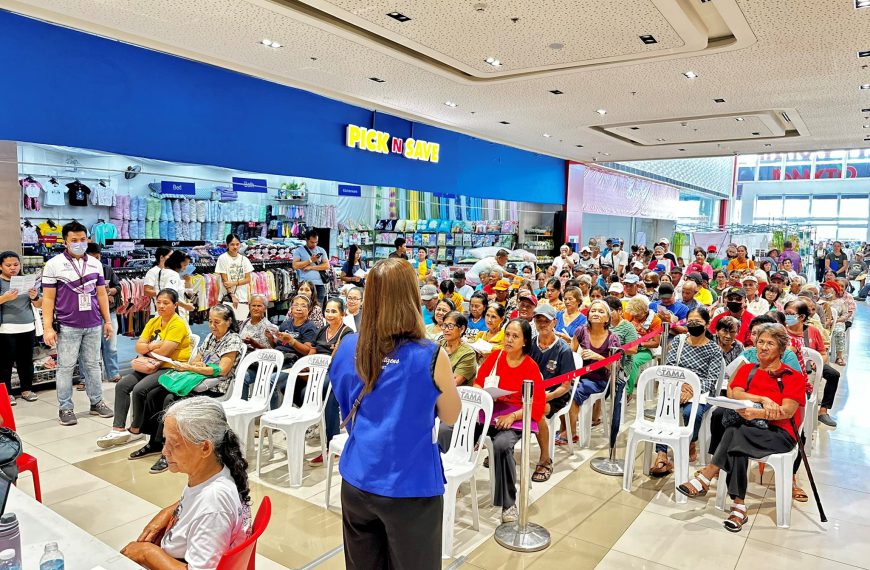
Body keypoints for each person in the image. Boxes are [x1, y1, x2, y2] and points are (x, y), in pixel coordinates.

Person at [329, 257, 460, 567]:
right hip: (410, 486)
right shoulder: (430, 355)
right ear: (411, 297)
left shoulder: (348, 346)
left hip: (357, 478)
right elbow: (452, 415)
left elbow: (343, 399)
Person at [679, 324, 805, 533]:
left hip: (780, 434)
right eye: (761, 342)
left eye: (770, 343)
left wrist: (759, 413)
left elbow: (788, 411)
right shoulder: (748, 369)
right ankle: (738, 506)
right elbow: (734, 393)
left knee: (734, 433)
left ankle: (708, 475)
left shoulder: (792, 376)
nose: (763, 347)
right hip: (747, 430)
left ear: (781, 349)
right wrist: (762, 399)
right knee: (736, 438)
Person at [121, 397, 252, 569]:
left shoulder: (214, 504)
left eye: (174, 444)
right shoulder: (218, 469)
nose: (164, 451)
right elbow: (197, 500)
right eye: (165, 440)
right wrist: (168, 512)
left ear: (205, 448)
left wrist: (147, 553)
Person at [132, 304, 244, 474]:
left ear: (228, 322)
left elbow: (222, 369)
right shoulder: (211, 337)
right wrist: (195, 365)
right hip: (197, 380)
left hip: (215, 385)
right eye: (210, 321)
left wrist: (193, 368)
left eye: (217, 322)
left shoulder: (233, 339)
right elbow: (197, 359)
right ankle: (154, 442)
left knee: (171, 401)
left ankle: (166, 449)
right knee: (154, 393)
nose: (212, 326)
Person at [97, 288, 191, 449]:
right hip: (149, 365)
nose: (161, 306)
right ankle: (118, 428)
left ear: (175, 305)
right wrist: (152, 346)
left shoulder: (178, 324)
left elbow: (164, 353)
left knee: (140, 389)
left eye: (165, 303)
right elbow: (138, 346)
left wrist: (147, 348)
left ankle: (136, 429)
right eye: (159, 302)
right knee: (122, 386)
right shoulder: (154, 321)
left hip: (169, 367)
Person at [41, 221, 114, 426]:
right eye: (74, 240)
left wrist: (107, 321)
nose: (79, 243)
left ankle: (96, 402)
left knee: (93, 365)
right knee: (65, 367)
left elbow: (101, 294)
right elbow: (47, 298)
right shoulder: (54, 264)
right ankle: (65, 407)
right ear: (65, 242)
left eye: (83, 239)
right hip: (67, 324)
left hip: (93, 323)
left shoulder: (95, 263)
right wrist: (48, 327)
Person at [474, 319, 544, 522]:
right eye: (508, 335)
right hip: (489, 411)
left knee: (502, 445)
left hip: (515, 417)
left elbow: (535, 403)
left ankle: (508, 503)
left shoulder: (530, 367)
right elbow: (478, 382)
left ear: (524, 341)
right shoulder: (496, 357)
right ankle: (444, 481)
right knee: (447, 429)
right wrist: (484, 395)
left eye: (515, 336)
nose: (509, 339)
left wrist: (512, 415)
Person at [649, 307, 723, 473]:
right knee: (665, 410)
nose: (693, 325)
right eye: (690, 322)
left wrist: (692, 391)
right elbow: (669, 366)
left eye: (698, 322)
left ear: (707, 324)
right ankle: (662, 453)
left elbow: (711, 379)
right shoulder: (679, 341)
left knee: (692, 413)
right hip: (676, 385)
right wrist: (681, 386)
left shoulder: (714, 349)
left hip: (701, 391)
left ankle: (691, 441)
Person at [561, 300, 619, 445]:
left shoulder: (613, 338)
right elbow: (571, 353)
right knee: (561, 391)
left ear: (607, 318)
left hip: (598, 380)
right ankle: (565, 427)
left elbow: (616, 367)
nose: (596, 314)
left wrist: (597, 357)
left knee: (574, 394)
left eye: (601, 311)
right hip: (580, 376)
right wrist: (570, 375)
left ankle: (571, 433)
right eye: (593, 311)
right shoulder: (581, 331)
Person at [529, 304, 575, 482]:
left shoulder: (563, 350)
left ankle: (545, 459)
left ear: (554, 322)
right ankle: (503, 448)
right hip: (531, 392)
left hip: (555, 395)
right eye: (538, 320)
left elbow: (565, 386)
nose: (542, 324)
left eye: (546, 320)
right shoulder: (531, 344)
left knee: (537, 411)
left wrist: (545, 396)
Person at [311, 297, 355, 463]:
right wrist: (306, 367)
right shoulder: (322, 330)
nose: (329, 314)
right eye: (327, 310)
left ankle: (331, 443)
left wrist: (331, 356)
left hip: (336, 373)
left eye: (334, 311)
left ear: (342, 314)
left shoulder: (347, 333)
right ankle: (311, 422)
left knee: (328, 394)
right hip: (316, 370)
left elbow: (340, 359)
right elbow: (312, 352)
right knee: (293, 387)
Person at [783, 299, 840, 428]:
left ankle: (823, 410)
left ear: (802, 317)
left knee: (833, 374)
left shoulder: (812, 331)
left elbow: (823, 353)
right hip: (788, 365)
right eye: (785, 313)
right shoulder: (782, 331)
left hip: (810, 364)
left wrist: (819, 362)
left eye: (790, 314)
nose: (787, 317)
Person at [0, 251, 42, 404]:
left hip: (27, 326)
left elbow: (39, 304)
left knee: (26, 361)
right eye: (8, 265)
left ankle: (27, 389)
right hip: (5, 329)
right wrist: (5, 298)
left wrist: (34, 297)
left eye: (16, 265)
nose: (13, 268)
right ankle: (7, 393)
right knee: (5, 363)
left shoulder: (27, 281)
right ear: (1, 266)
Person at [624, 297, 661, 396]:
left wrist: (640, 342)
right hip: (629, 347)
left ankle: (628, 393)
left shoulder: (655, 320)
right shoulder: (629, 314)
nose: (635, 317)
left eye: (638, 316)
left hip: (646, 350)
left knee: (633, 360)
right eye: (633, 316)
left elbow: (656, 343)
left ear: (645, 312)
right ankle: (618, 389)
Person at [217, 234, 256, 320]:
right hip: (227, 296)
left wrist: (234, 283)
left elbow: (248, 279)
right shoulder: (222, 258)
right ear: (227, 245)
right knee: (226, 322)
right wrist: (233, 296)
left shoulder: (244, 259)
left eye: (237, 244)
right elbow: (224, 280)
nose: (235, 247)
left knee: (240, 322)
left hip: (242, 296)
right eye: (232, 244)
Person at [438, 311, 478, 387]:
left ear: (462, 329)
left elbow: (453, 383)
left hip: (457, 395)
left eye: (450, 326)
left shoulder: (468, 354)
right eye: (444, 325)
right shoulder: (438, 345)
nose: (446, 330)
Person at [292, 229, 329, 304]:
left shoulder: (321, 250)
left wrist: (311, 267)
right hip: (305, 285)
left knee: (318, 308)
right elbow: (295, 266)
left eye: (316, 242)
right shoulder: (299, 251)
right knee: (304, 305)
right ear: (306, 240)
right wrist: (310, 261)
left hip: (319, 284)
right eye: (312, 242)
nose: (314, 244)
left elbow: (326, 265)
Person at [162, 250, 196, 320]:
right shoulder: (172, 275)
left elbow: (188, 294)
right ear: (177, 263)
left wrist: (188, 281)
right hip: (174, 313)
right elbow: (169, 295)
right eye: (184, 265)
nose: (185, 268)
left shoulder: (164, 272)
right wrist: (185, 306)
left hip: (171, 312)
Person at [143, 246, 173, 313]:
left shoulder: (172, 271)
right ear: (162, 257)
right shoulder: (152, 272)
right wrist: (165, 294)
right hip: (159, 310)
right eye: (170, 256)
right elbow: (146, 291)